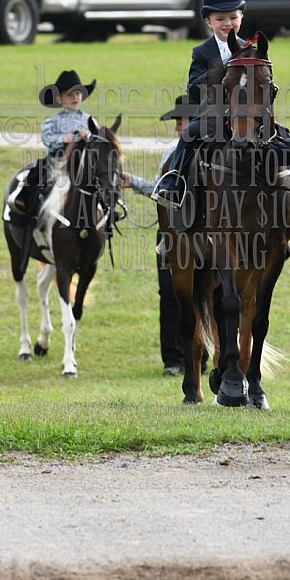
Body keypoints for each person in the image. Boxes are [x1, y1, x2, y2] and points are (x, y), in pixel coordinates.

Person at [152, 0, 246, 210]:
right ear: (208, 21)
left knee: (280, 135)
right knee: (189, 135)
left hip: (246, 115)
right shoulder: (202, 52)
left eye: (233, 17)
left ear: (241, 16)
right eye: (220, 19)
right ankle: (174, 182)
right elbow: (193, 88)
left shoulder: (250, 49)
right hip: (212, 117)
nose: (228, 24)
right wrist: (215, 73)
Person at [121, 95, 193, 375]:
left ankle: (197, 358)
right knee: (169, 294)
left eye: (181, 122)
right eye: (176, 123)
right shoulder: (171, 153)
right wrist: (134, 182)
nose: (177, 129)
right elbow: (160, 189)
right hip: (169, 230)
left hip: (195, 229)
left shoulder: (210, 152)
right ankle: (173, 359)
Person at [9, 70, 97, 219]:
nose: (75, 98)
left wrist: (88, 136)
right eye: (69, 95)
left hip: (83, 161)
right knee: (37, 173)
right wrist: (63, 139)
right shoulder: (52, 121)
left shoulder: (89, 120)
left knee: (102, 177)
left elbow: (97, 139)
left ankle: (107, 207)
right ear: (59, 99)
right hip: (58, 161)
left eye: (77, 94)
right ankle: (26, 201)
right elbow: (47, 139)